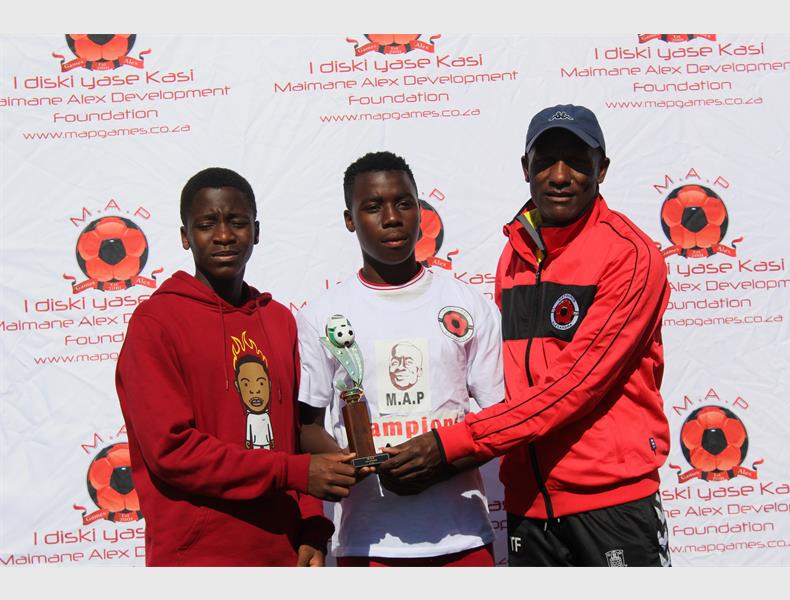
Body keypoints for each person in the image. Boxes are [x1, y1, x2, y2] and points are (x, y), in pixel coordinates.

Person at [379, 105, 673, 567]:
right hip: (527, 506)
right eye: (546, 160)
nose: (560, 176)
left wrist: (450, 445)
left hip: (611, 505)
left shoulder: (630, 255)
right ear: (525, 168)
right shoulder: (515, 254)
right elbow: (506, 383)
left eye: (577, 161)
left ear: (602, 169)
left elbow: (573, 387)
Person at [115, 167, 357, 567]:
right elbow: (171, 450)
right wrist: (292, 472)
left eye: (237, 222)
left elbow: (297, 435)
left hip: (284, 553)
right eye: (207, 224)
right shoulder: (155, 323)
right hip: (198, 559)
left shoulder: (278, 320)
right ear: (185, 236)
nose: (224, 235)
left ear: (256, 231)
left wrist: (313, 525)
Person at [297, 151, 504, 566]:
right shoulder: (321, 315)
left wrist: (443, 458)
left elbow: (501, 418)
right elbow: (306, 429)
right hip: (369, 544)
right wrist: (357, 465)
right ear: (350, 220)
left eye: (404, 203)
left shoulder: (468, 305)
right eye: (373, 207)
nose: (392, 218)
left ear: (420, 212)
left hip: (463, 539)